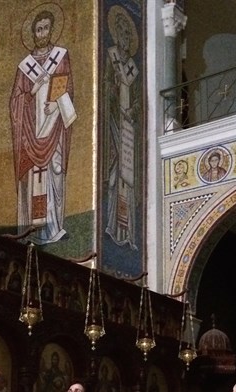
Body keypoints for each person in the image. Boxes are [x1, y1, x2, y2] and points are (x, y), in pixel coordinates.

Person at [10, 9, 76, 244]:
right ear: (33, 32)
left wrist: (56, 107)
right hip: (30, 130)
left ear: (51, 30)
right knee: (32, 177)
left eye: (46, 28)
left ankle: (54, 227)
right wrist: (32, 91)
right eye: (38, 29)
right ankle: (30, 231)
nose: (42, 33)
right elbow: (16, 100)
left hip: (53, 126)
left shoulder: (60, 56)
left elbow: (65, 88)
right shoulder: (24, 66)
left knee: (54, 171)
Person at [104, 8, 141, 250]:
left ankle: (128, 234)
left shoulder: (133, 70)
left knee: (128, 179)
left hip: (129, 127)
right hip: (115, 123)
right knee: (115, 175)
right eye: (122, 35)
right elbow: (105, 87)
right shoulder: (111, 57)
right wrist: (115, 90)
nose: (125, 40)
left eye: (129, 36)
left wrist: (133, 110)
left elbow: (138, 99)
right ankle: (111, 225)